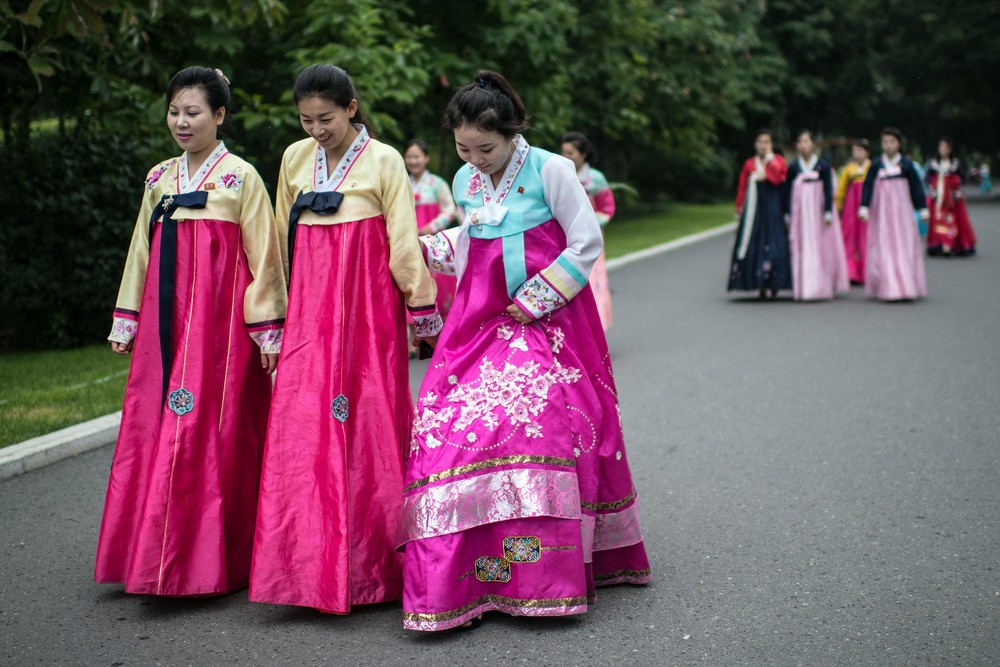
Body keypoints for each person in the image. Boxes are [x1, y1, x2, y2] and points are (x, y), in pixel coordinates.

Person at [401, 71, 650, 632]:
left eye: (485, 148)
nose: (474, 159)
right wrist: (426, 250)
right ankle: (471, 574)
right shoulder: (465, 179)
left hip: (547, 321)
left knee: (536, 418)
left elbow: (586, 241)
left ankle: (538, 573)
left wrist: (536, 298)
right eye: (463, 149)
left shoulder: (552, 170)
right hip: (478, 323)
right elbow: (474, 242)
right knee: (445, 423)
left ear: (513, 132)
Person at [249, 64, 443, 614]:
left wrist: (421, 308)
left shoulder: (384, 161)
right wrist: (273, 317)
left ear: (352, 108)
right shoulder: (292, 158)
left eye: (326, 118)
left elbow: (403, 242)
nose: (316, 129)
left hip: (368, 312)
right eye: (306, 119)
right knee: (305, 428)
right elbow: (279, 245)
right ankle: (304, 569)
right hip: (310, 315)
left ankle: (376, 568)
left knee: (370, 422)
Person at [95, 66, 287, 596]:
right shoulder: (159, 178)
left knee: (214, 428)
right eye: (175, 112)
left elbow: (264, 258)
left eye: (193, 112)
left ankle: (208, 561)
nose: (181, 122)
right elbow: (140, 249)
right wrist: (126, 316)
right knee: (155, 422)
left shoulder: (242, 178)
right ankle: (149, 553)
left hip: (220, 334)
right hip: (164, 326)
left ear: (219, 116)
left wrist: (267, 329)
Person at [859, 127, 928, 301]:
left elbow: (916, 188)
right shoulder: (876, 165)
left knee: (903, 244)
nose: (888, 145)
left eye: (892, 142)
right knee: (883, 245)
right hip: (881, 213)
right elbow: (867, 186)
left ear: (898, 144)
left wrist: (922, 208)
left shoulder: (907, 165)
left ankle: (905, 283)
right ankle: (887, 284)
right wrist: (864, 206)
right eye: (885, 142)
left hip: (902, 213)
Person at [783, 130, 849, 301]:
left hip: (818, 211)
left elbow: (828, 189)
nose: (804, 145)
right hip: (801, 214)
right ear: (797, 146)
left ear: (812, 144)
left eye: (807, 141)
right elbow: (786, 191)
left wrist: (828, 210)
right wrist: (787, 213)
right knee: (803, 246)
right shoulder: (793, 168)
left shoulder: (823, 166)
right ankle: (804, 285)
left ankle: (822, 284)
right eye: (801, 142)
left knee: (822, 247)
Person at [560, 131, 615, 330]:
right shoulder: (560, 174)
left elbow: (607, 208)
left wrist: (590, 222)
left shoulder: (596, 179)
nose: (566, 157)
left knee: (594, 280)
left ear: (583, 154)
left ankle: (597, 326)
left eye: (571, 152)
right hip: (565, 236)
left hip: (591, 237)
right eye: (564, 152)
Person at [728, 130, 791, 299]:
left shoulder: (777, 161)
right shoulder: (749, 164)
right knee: (754, 244)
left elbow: (778, 179)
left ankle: (775, 283)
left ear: (771, 144)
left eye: (766, 142)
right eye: (760, 142)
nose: (763, 145)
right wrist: (739, 209)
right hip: (754, 211)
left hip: (773, 209)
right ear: (755, 144)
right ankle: (759, 284)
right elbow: (742, 187)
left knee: (775, 244)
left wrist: (770, 161)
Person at [405, 138, 459, 318]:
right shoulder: (402, 183)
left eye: (417, 157)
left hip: (433, 244)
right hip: (408, 242)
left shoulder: (437, 184)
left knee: (438, 289)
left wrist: (432, 227)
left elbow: (450, 209)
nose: (413, 161)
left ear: (426, 158)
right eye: (409, 157)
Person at [925, 138, 977, 256]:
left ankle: (954, 245)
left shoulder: (955, 164)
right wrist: (932, 191)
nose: (943, 149)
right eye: (941, 147)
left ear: (950, 149)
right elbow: (927, 179)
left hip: (953, 199)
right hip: (938, 199)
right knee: (938, 221)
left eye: (946, 147)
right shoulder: (933, 165)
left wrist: (959, 192)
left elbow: (963, 179)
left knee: (954, 221)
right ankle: (939, 244)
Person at [835, 139, 871, 284]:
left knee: (867, 235)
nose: (857, 154)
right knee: (849, 235)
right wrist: (838, 207)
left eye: (860, 150)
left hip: (867, 205)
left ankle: (867, 271)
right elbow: (841, 189)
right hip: (851, 206)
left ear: (867, 152)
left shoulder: (872, 168)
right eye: (855, 151)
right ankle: (851, 272)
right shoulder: (849, 169)